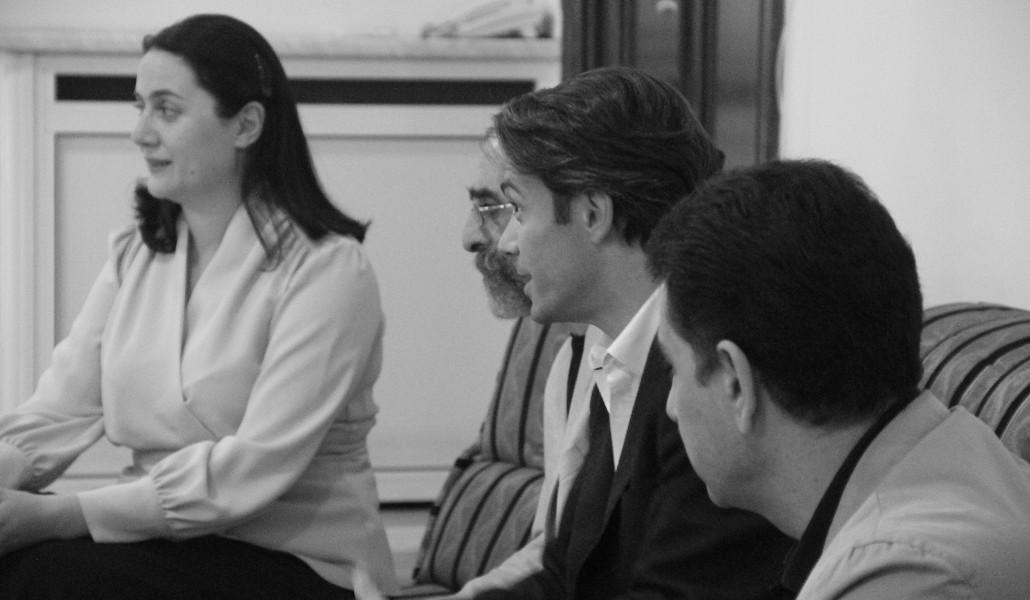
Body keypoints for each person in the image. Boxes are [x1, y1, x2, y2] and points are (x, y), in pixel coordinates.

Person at [0, 14, 395, 599]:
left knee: (50, 573)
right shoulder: (135, 255)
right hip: (165, 547)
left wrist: (61, 515)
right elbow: (59, 411)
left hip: (299, 562)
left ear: (246, 125)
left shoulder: (329, 270)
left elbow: (254, 467)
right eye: (140, 107)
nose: (140, 133)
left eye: (166, 109)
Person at [461, 66, 792, 599]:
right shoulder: (610, 353)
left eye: (518, 209)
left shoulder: (708, 379)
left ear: (593, 213)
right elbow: (561, 575)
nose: (507, 242)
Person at [648, 159, 1030, 599]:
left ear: (736, 383)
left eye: (673, 368)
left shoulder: (907, 578)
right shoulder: (963, 458)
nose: (671, 407)